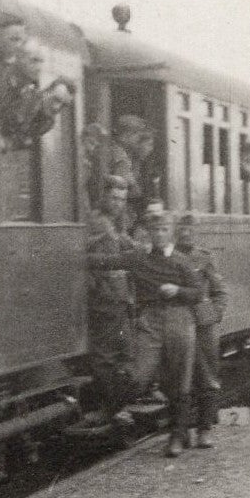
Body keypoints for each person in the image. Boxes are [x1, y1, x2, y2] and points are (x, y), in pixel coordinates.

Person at [127, 208, 203, 456]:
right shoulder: (139, 258)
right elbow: (106, 262)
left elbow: (198, 293)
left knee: (180, 379)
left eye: (163, 230)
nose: (159, 235)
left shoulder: (182, 261)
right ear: (148, 233)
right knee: (140, 375)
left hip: (179, 318)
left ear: (171, 233)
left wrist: (178, 290)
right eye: (154, 230)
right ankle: (177, 430)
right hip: (150, 321)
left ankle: (177, 436)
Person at [84, 174, 139, 420]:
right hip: (103, 298)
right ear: (103, 196)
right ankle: (112, 408)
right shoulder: (98, 222)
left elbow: (127, 244)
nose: (119, 203)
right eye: (114, 198)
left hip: (116, 298)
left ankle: (119, 404)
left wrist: (146, 251)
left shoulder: (113, 223)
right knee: (107, 355)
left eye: (122, 199)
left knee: (122, 351)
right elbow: (87, 258)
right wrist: (123, 260)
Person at [175, 211, 228, 447]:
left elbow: (219, 291)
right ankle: (182, 429)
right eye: (182, 229)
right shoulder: (168, 257)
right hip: (177, 322)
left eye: (190, 230)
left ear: (196, 233)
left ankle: (205, 428)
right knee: (178, 377)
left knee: (207, 374)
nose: (186, 234)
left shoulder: (204, 258)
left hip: (203, 324)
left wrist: (214, 314)